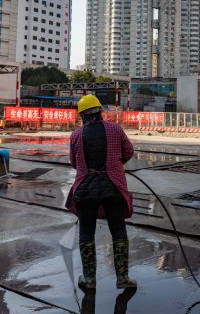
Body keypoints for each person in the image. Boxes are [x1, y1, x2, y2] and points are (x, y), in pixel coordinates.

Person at [65, 94, 137, 291]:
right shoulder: (115, 129)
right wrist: (114, 165)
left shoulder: (77, 135)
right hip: (113, 186)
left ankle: (89, 280)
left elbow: (74, 162)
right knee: (119, 230)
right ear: (100, 112)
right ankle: (122, 277)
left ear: (83, 116)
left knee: (87, 233)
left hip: (85, 188)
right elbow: (129, 151)